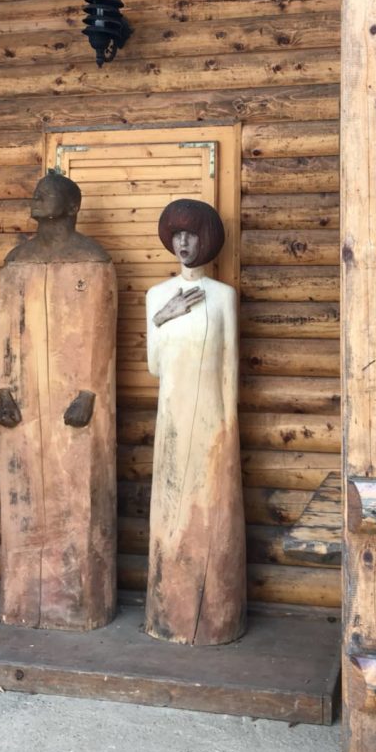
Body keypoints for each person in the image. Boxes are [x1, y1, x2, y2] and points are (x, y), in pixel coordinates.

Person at [0, 170, 117, 630]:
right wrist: (4, 388)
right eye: (37, 192)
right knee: (23, 496)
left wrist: (89, 390)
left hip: (76, 400)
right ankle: (24, 601)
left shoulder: (93, 259)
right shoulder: (17, 260)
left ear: (72, 206)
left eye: (48, 193)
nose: (38, 196)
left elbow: (100, 333)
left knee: (78, 495)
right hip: (24, 402)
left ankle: (81, 603)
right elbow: (7, 330)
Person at [145, 199, 246, 645]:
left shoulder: (224, 297)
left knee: (212, 512)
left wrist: (226, 429)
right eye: (176, 234)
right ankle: (168, 610)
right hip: (171, 416)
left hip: (212, 423)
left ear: (207, 239)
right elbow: (153, 366)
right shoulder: (156, 297)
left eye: (191, 234)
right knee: (171, 511)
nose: (183, 242)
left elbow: (230, 371)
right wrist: (164, 319)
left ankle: (214, 615)